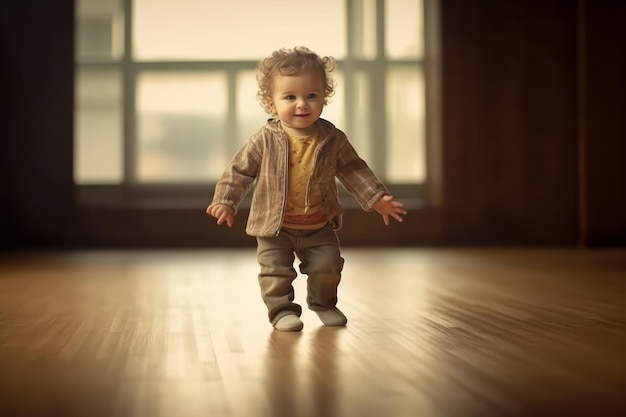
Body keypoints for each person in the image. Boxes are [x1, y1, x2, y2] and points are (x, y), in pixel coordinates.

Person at [206, 46, 407, 332]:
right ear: (271, 102)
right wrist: (226, 200)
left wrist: (377, 198)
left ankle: (323, 304)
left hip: (318, 224)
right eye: (290, 97)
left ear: (324, 99)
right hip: (274, 227)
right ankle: (282, 311)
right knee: (276, 273)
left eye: (311, 96)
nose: (302, 104)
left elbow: (353, 169)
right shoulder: (264, 139)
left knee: (329, 267)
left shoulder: (331, 138)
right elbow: (239, 171)